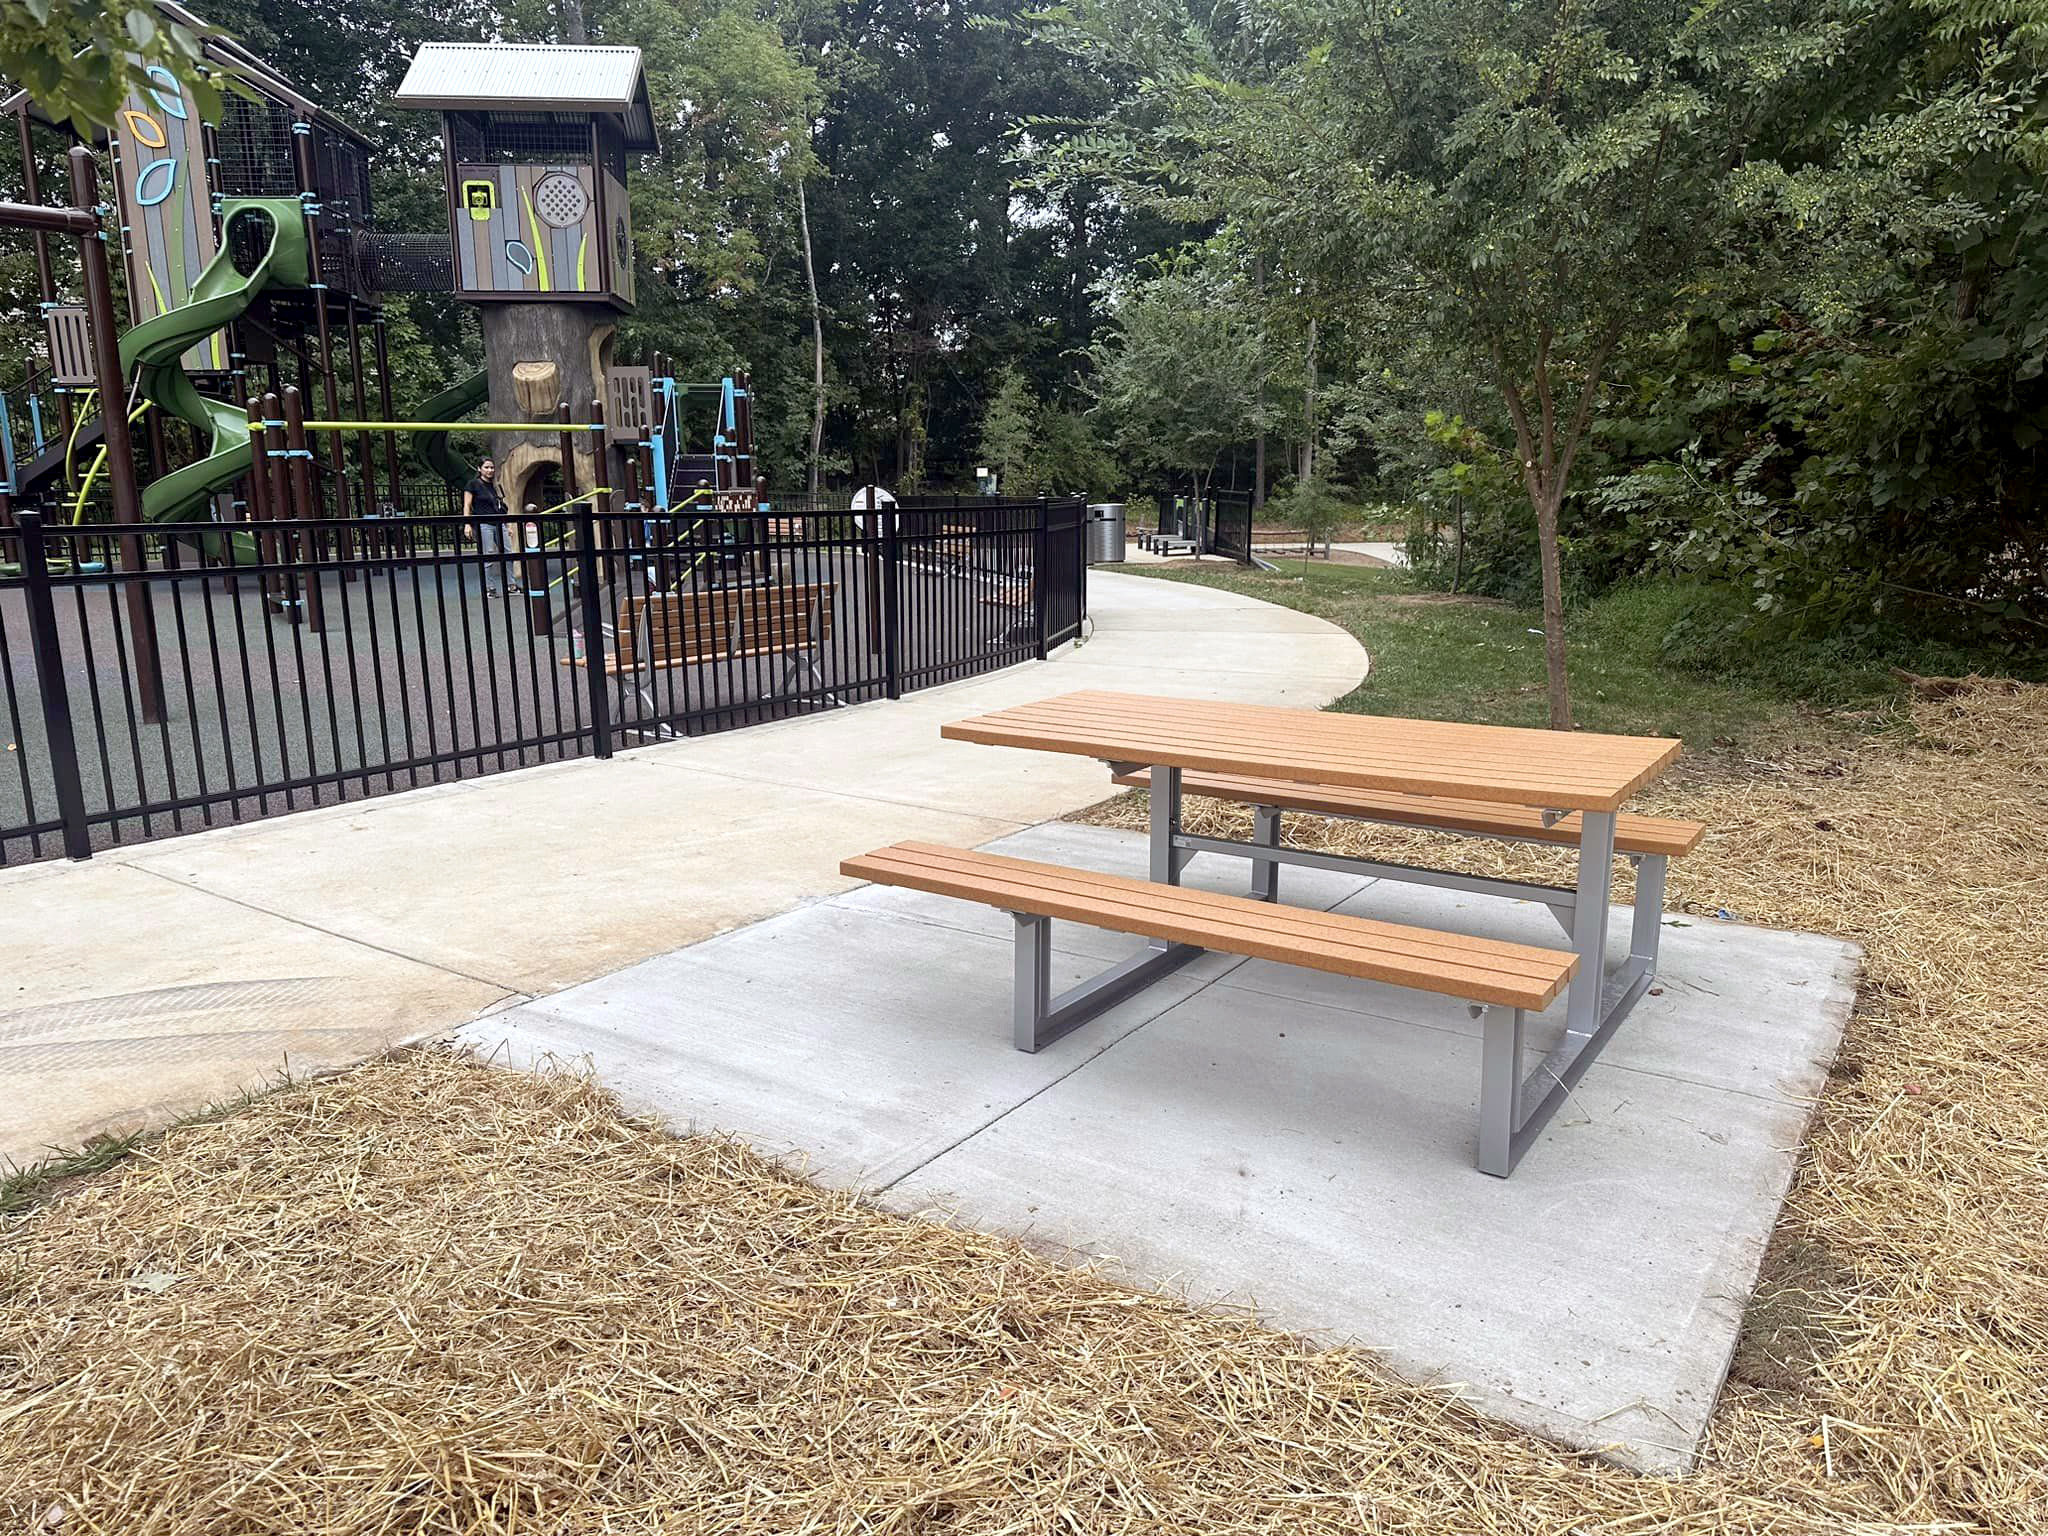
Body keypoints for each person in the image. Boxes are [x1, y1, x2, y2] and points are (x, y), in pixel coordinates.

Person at [461, 458, 512, 598]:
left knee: (508, 552)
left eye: (492, 467)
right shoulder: (473, 484)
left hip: (499, 522)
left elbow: (500, 506)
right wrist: (467, 523)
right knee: (488, 555)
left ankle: (511, 585)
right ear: (479, 469)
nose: (490, 470)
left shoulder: (494, 485)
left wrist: (507, 525)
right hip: (485, 524)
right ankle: (489, 587)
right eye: (486, 467)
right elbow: (467, 505)